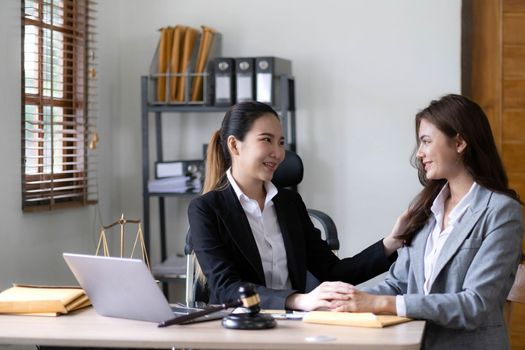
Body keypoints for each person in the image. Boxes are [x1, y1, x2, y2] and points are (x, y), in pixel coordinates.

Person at [332, 94, 524, 349]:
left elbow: (475, 304)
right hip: (414, 343)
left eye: (426, 141)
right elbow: (399, 283)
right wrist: (345, 300)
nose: (419, 153)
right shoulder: (425, 209)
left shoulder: (501, 212)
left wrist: (380, 304)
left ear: (459, 142)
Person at [188, 101, 404, 310]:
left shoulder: (289, 203)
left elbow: (333, 270)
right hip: (237, 327)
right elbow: (227, 287)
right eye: (267, 140)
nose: (278, 153)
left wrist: (392, 242)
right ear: (235, 145)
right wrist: (297, 301)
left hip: (294, 326)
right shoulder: (205, 209)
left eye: (281, 142)